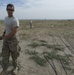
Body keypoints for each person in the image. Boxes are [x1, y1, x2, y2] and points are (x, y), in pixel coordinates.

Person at [0, 4, 21, 75]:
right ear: (6, 10)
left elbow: (13, 32)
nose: (10, 11)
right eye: (9, 9)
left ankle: (15, 68)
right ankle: (4, 69)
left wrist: (4, 37)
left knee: (14, 56)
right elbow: (6, 29)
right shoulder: (5, 18)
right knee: (5, 55)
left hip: (13, 41)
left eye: (11, 10)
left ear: (13, 11)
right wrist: (3, 35)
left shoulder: (15, 20)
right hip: (6, 40)